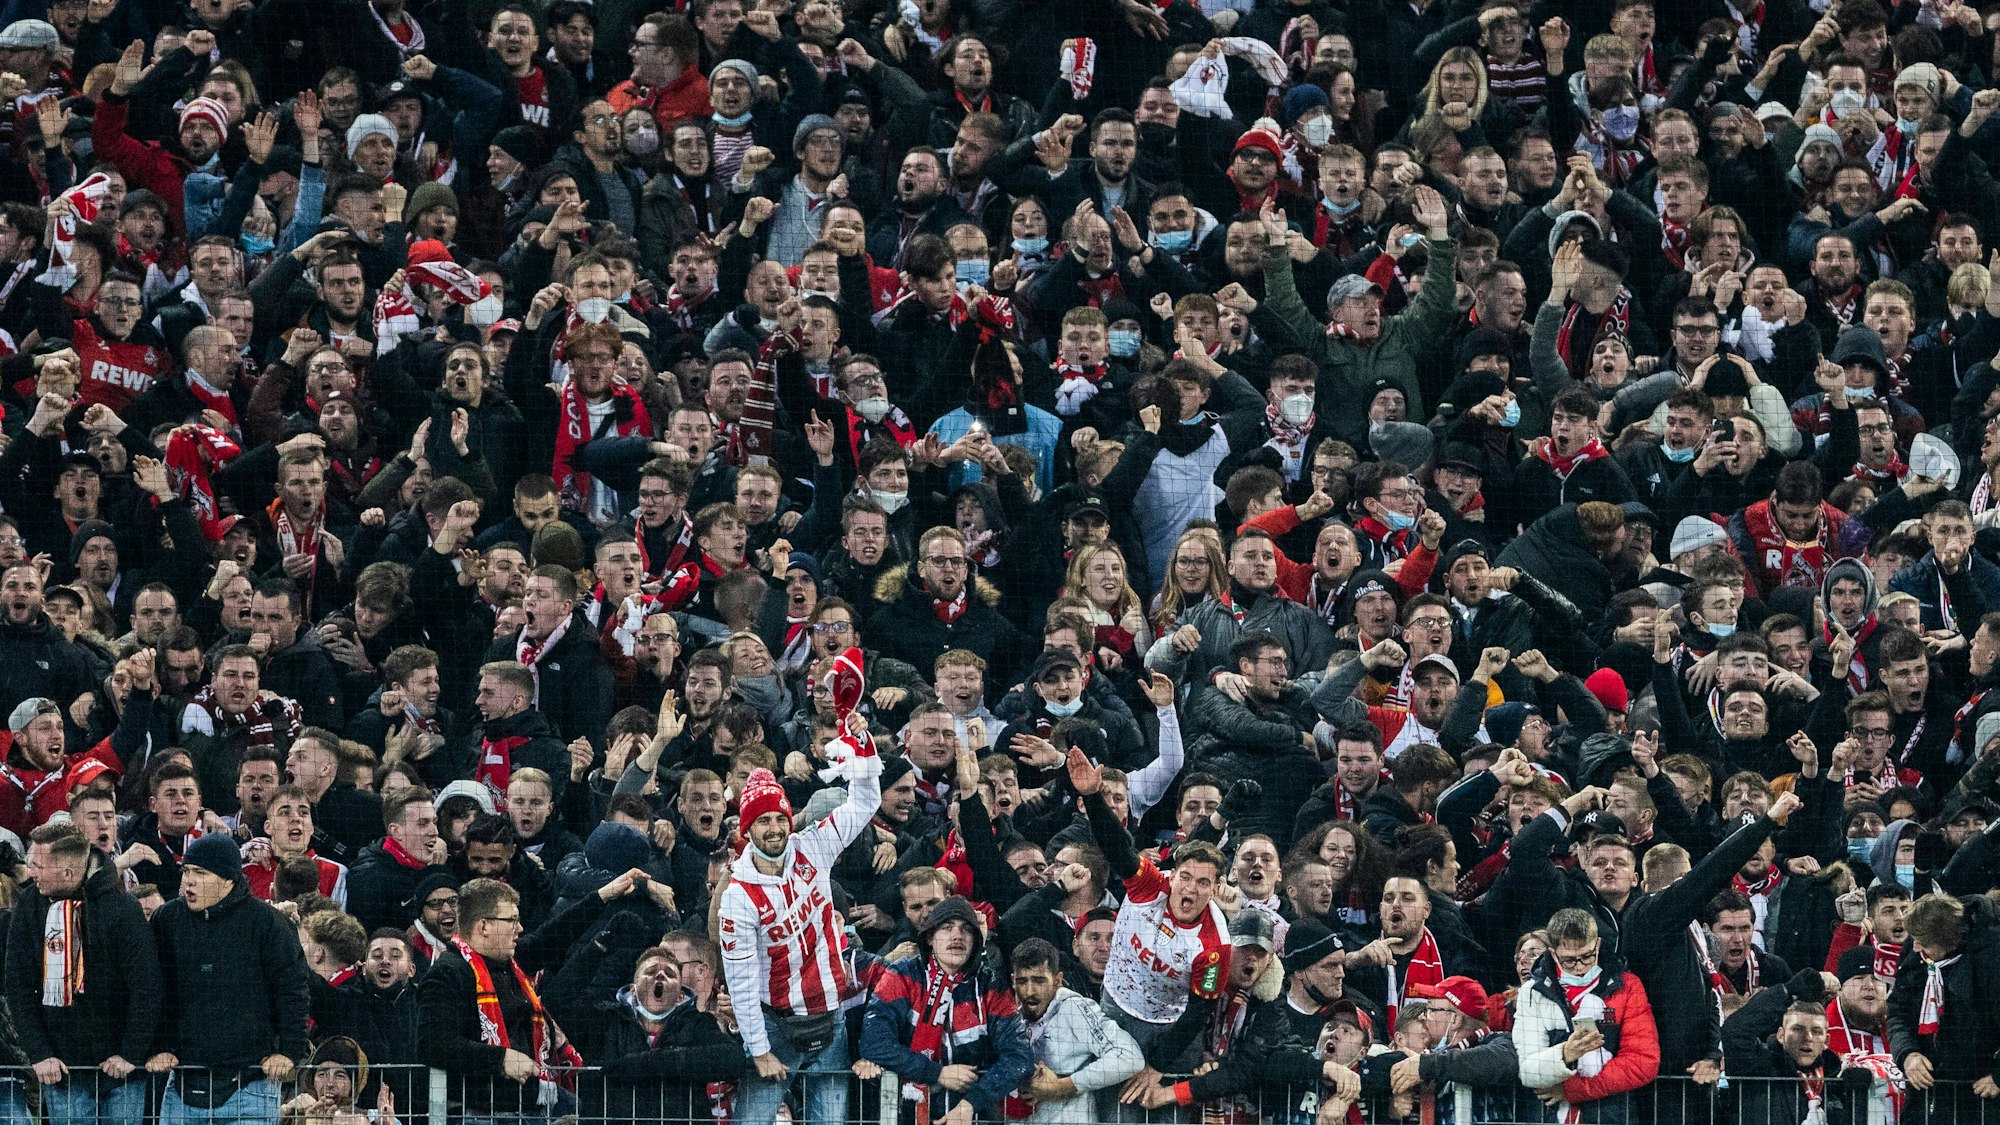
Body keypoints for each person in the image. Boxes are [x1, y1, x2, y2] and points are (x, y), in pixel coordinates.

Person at [716, 690, 882, 1125]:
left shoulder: (814, 846)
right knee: (752, 1121)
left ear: (790, 819)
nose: (773, 828)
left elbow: (864, 803)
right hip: (776, 1025)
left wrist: (862, 748)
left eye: (779, 818)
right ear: (748, 829)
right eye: (763, 821)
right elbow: (741, 978)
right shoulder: (737, 895)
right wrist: (759, 1049)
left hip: (832, 1021)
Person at [148, 834, 312, 1125]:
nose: (188, 881)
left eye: (200, 873)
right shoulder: (167, 920)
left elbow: (292, 991)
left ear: (227, 880)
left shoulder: (268, 924)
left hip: (251, 1087)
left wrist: (289, 1051)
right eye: (186, 871)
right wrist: (159, 1045)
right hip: (182, 1084)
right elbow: (154, 990)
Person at [5, 822, 160, 1125]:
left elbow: (147, 985)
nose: (29, 872)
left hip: (122, 1073)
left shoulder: (122, 909)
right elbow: (18, 986)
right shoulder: (29, 906)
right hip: (62, 1071)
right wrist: (39, 1053)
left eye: (37, 865)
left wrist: (131, 1052)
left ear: (67, 873)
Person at [861, 894, 1035, 1125]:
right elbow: (874, 1043)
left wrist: (970, 1105)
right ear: (930, 938)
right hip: (903, 1115)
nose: (957, 935)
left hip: (974, 1117)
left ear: (976, 940)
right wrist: (938, 1074)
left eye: (966, 929)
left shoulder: (991, 985)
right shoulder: (901, 975)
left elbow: (1019, 1057)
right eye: (947, 927)